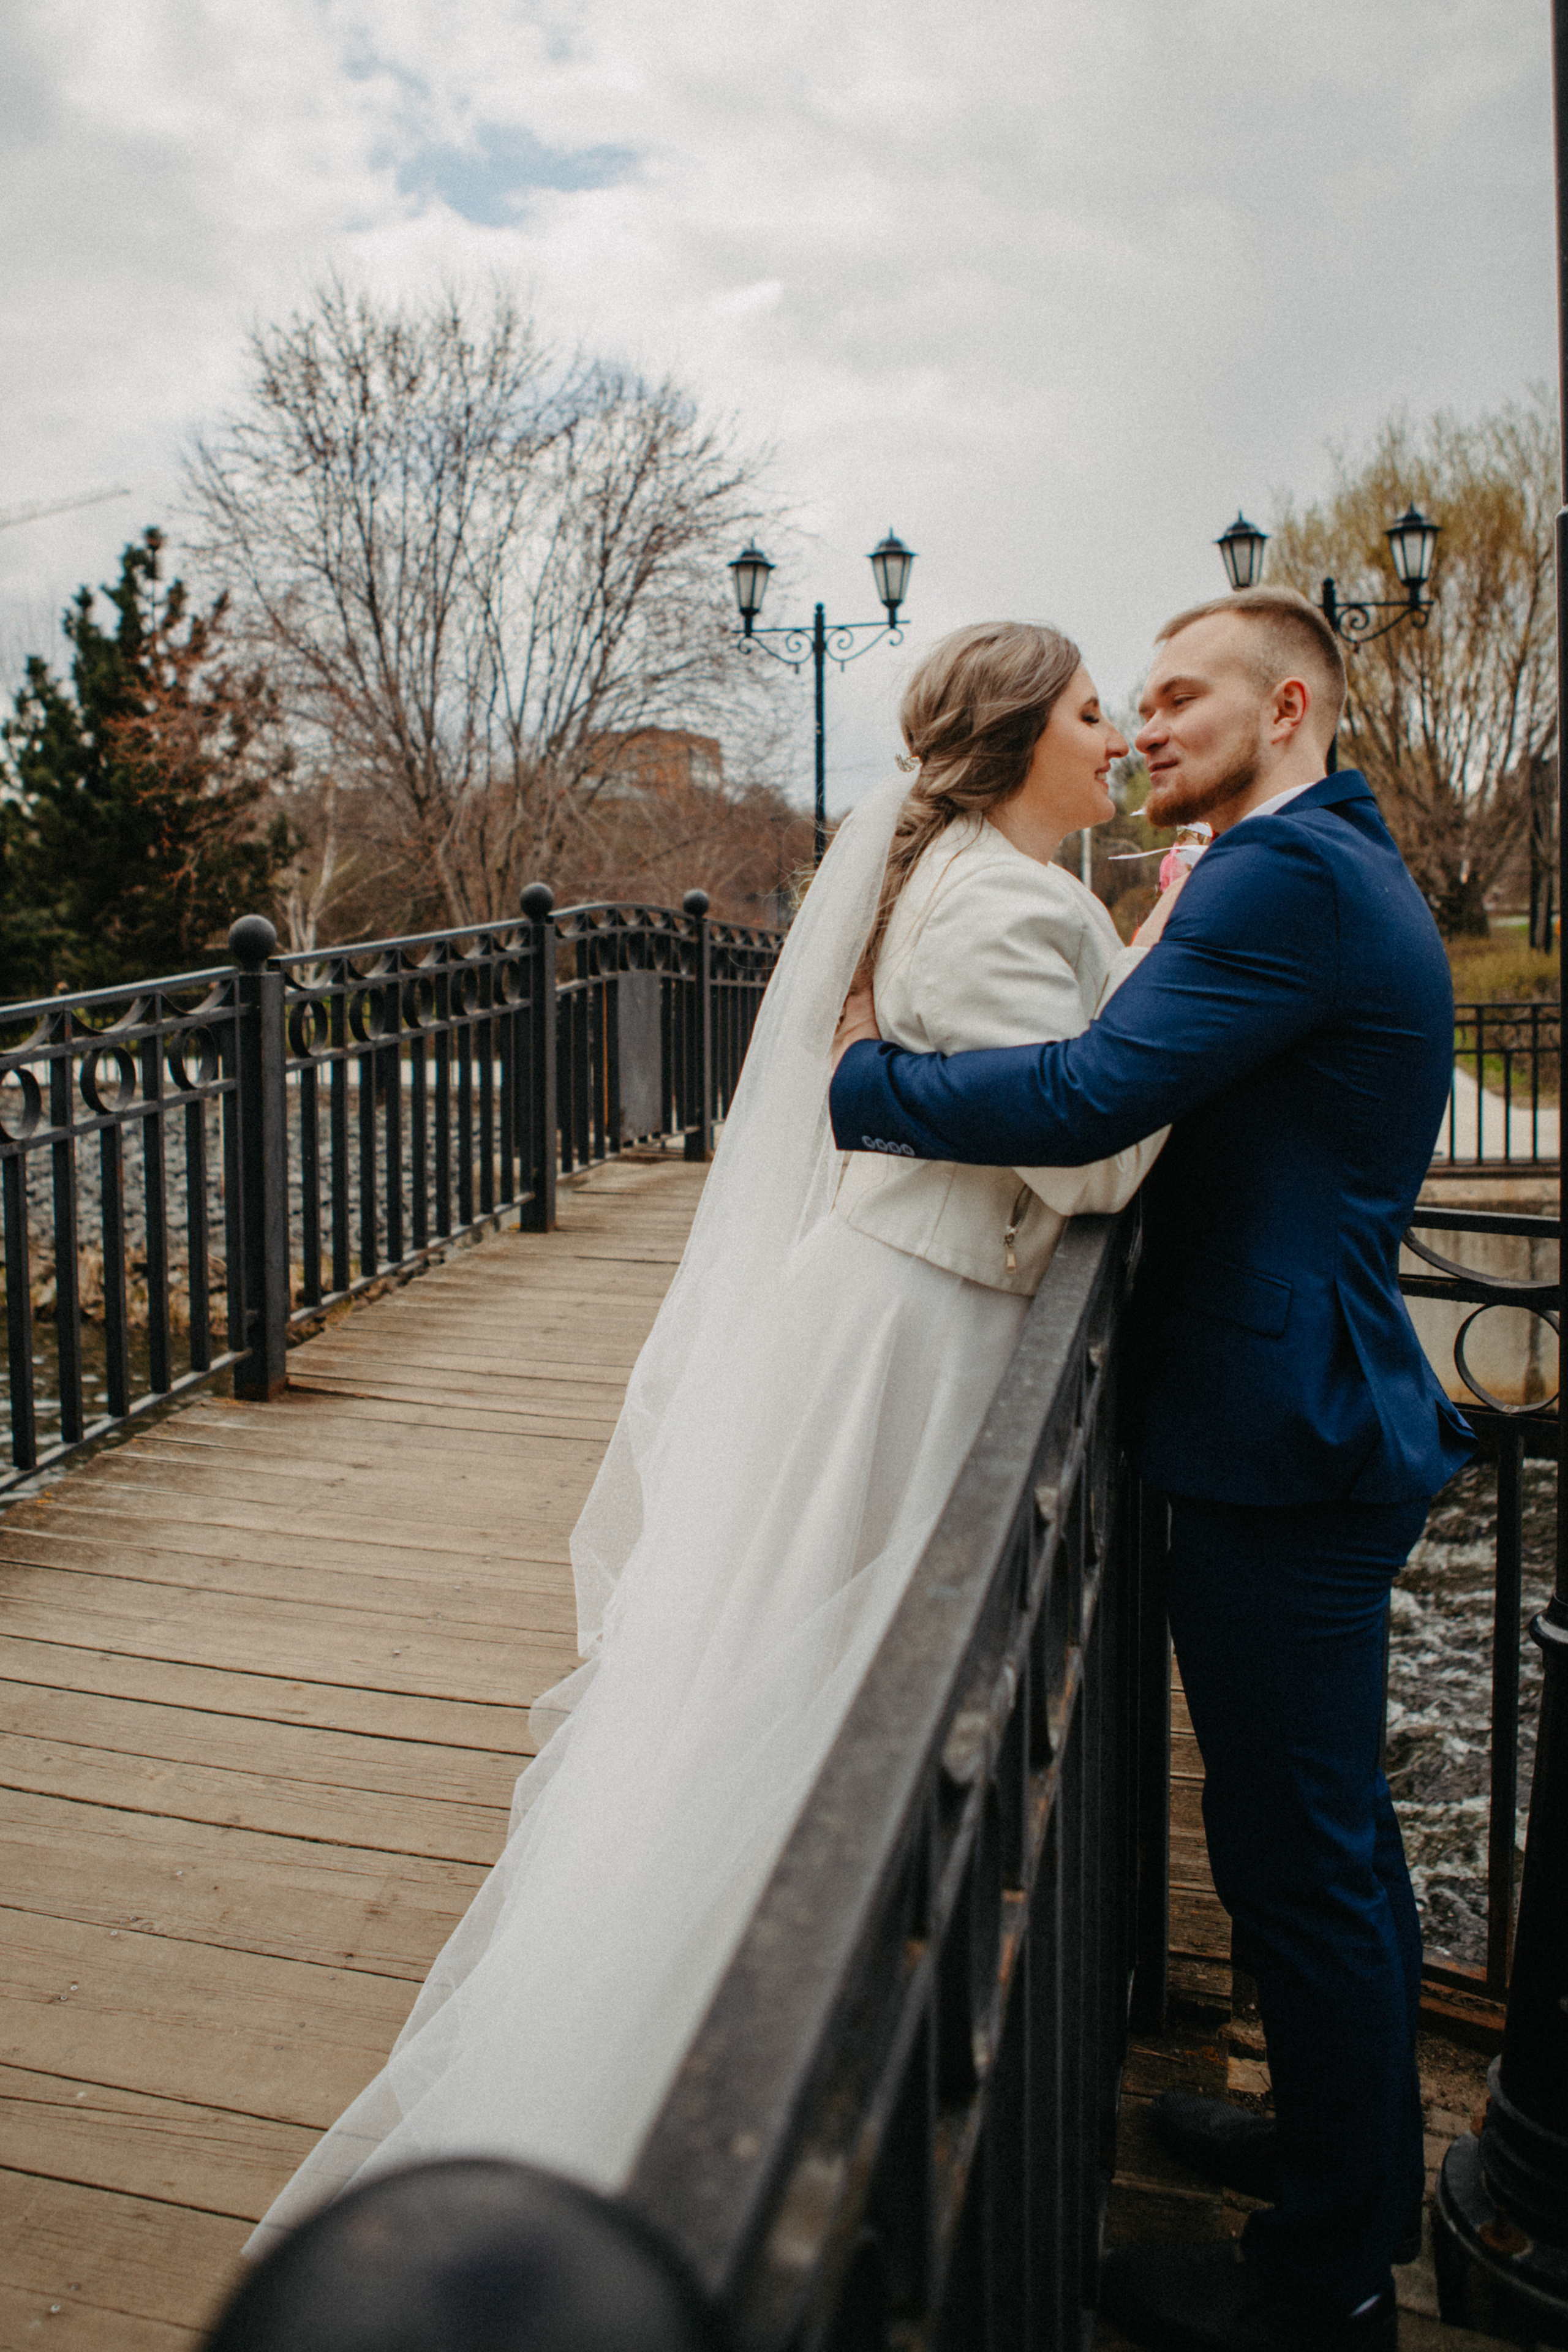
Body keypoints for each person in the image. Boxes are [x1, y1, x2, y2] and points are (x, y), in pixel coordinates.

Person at [246, 622, 1168, 2255]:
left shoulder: (984, 881)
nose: (1121, 742)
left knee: (824, 1673)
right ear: (1019, 738)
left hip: (906, 1307)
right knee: (826, 1685)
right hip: (920, 1334)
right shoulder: (1008, 903)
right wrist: (1176, 999)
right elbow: (1091, 1163)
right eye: (1094, 714)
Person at [829, 586, 1474, 2352]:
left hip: (1292, 1438)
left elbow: (1097, 1093)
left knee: (1305, 1859)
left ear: (1288, 710)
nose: (1147, 725)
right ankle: (1322, 2148)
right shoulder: (1317, 864)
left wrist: (864, 1088)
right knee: (1308, 1845)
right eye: (1135, 698)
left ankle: (1326, 2275)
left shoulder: (1282, 875)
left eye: (1181, 695)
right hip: (1298, 1419)